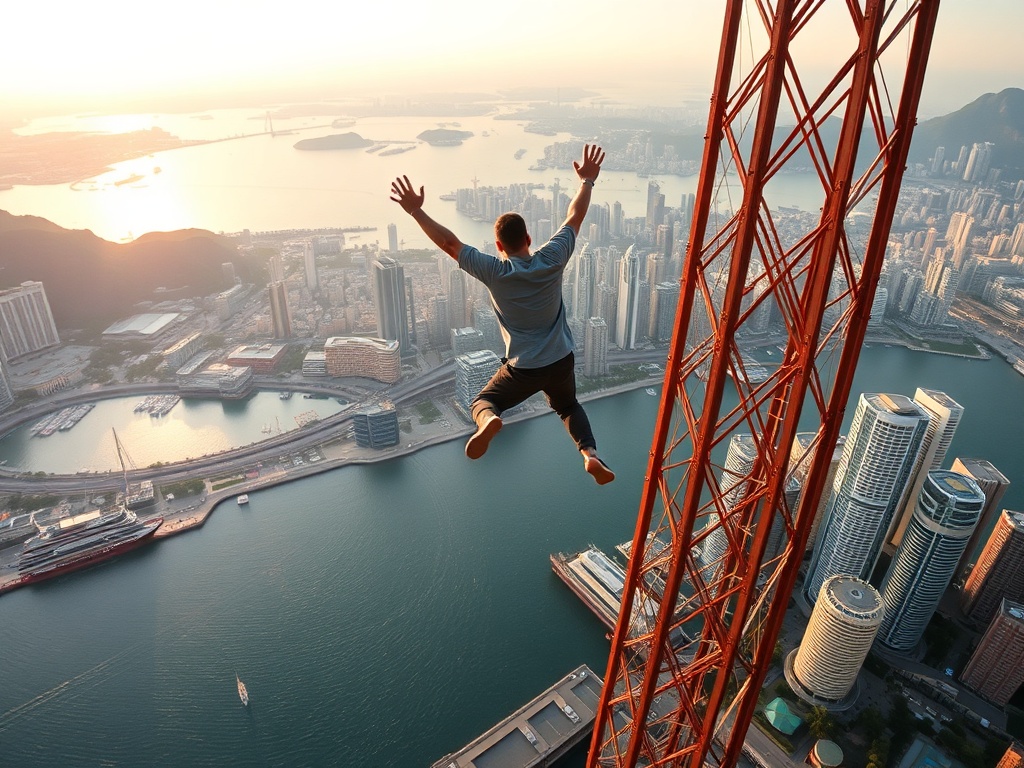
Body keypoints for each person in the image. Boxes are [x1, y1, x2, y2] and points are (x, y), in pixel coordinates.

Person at [389, 144, 614, 485]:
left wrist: (416, 212)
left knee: (483, 400)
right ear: (528, 238)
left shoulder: (494, 271)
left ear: (499, 246)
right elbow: (574, 216)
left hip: (524, 367)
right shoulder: (553, 257)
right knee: (568, 407)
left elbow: (450, 244)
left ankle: (489, 420)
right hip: (562, 358)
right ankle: (590, 455)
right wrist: (586, 181)